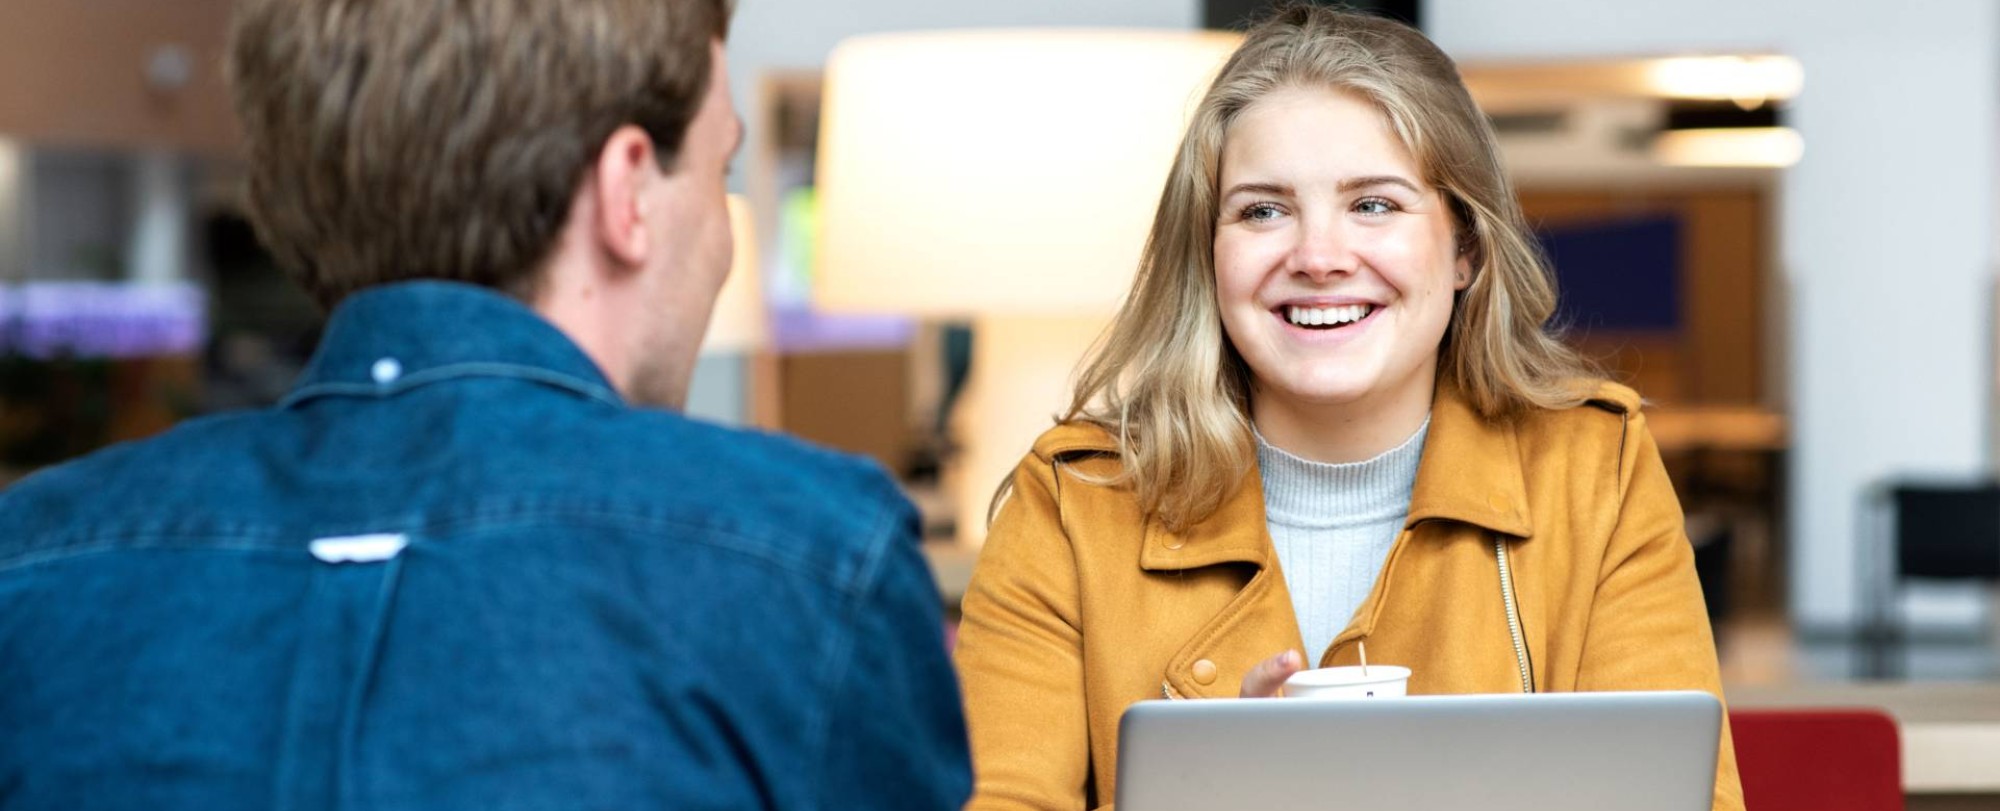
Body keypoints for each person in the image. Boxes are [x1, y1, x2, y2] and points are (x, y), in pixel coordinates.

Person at [0, 1, 970, 808]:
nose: (721, 236)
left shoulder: (30, 561)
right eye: (718, 172)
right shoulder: (810, 564)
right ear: (628, 187)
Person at [952, 6, 1742, 810]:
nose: (1319, 258)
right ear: (1209, 251)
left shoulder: (1594, 471)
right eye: (1263, 209)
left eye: (1375, 204)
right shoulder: (1072, 503)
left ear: (1466, 246)